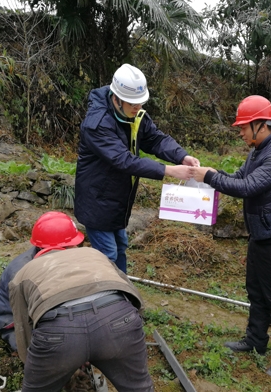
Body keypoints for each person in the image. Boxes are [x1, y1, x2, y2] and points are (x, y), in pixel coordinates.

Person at [191, 95, 271, 380]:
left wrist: (209, 177)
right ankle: (256, 340)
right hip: (262, 232)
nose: (240, 132)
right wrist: (212, 174)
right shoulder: (258, 149)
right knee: (256, 291)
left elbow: (247, 187)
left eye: (243, 127)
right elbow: (238, 177)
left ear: (261, 125)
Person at [8, 212, 153, 392]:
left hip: (58, 331)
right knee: (139, 388)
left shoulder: (22, 273)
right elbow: (132, 295)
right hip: (118, 321)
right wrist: (132, 328)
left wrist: (38, 364)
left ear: (37, 246)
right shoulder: (95, 254)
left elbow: (23, 329)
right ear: (75, 241)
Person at [74, 63, 199, 274]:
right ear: (116, 97)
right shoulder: (97, 123)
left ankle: (122, 295)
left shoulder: (134, 114)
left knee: (120, 247)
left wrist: (182, 156)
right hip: (97, 200)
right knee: (107, 255)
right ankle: (106, 300)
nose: (137, 107)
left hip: (118, 200)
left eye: (140, 102)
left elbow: (156, 139)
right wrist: (168, 170)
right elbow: (124, 160)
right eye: (132, 102)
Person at [0, 211, 85, 352]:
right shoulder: (22, 273)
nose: (76, 248)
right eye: (71, 245)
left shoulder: (53, 259)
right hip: (13, 323)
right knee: (44, 353)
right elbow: (30, 317)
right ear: (55, 248)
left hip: (40, 314)